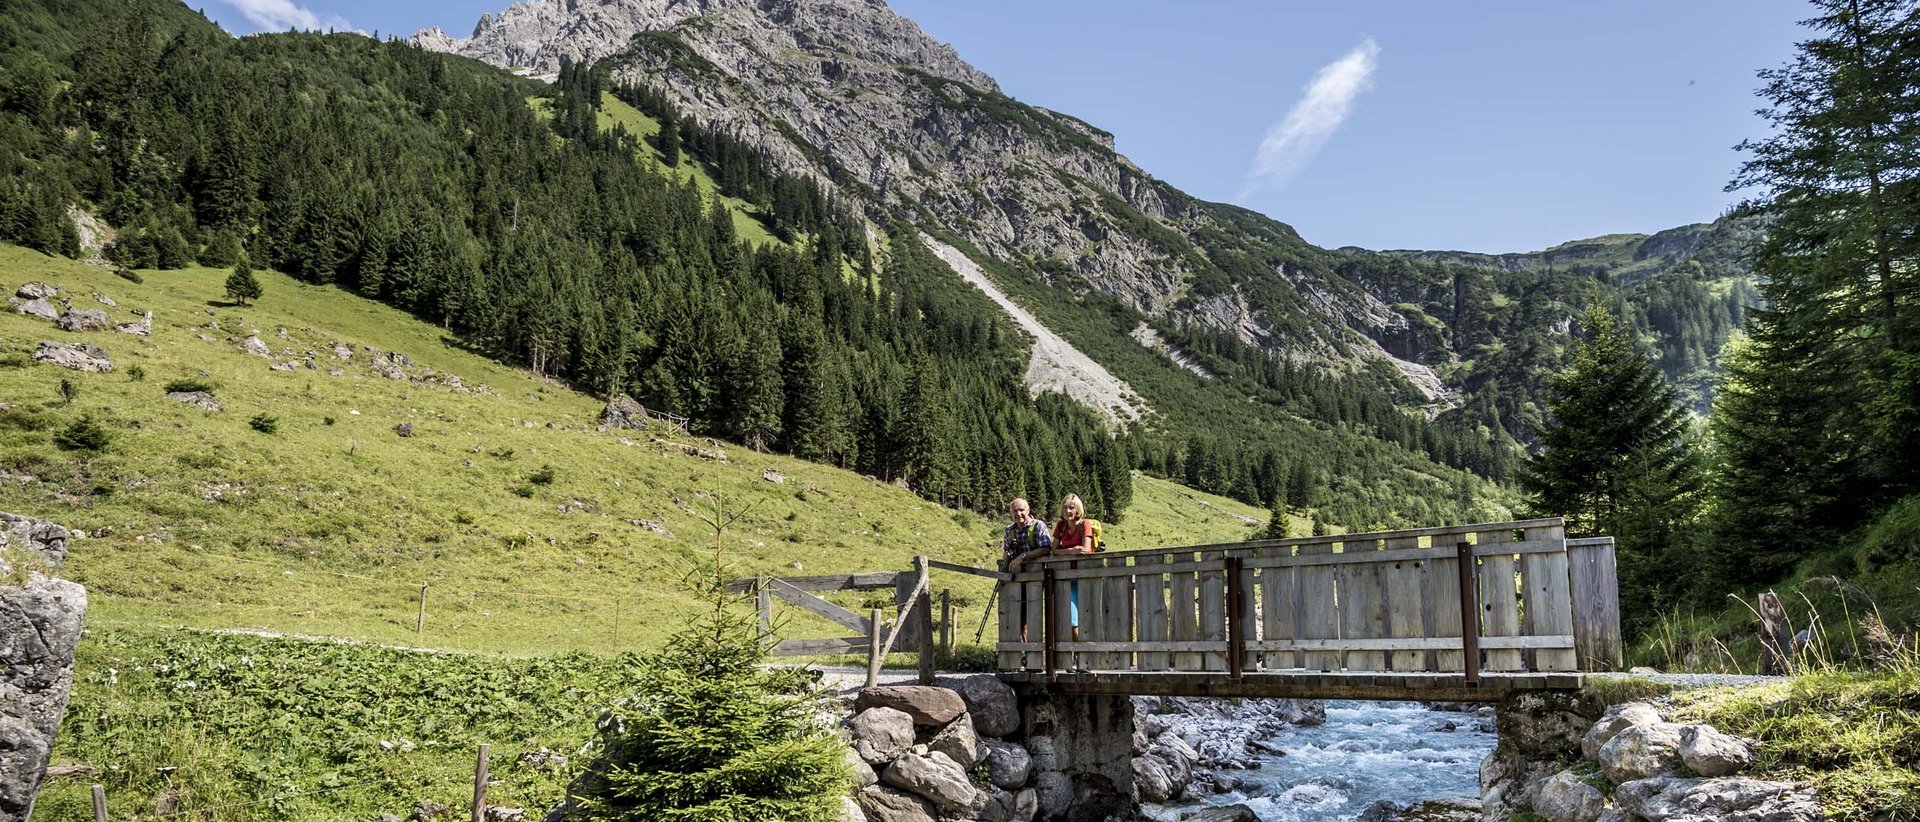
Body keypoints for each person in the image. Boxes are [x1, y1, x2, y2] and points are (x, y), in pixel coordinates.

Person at [1001, 497, 1053, 572]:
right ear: (1011, 513)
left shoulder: (1038, 525)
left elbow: (1046, 549)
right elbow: (1006, 551)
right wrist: (1006, 555)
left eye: (1021, 510)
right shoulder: (1009, 530)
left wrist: (1022, 556)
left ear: (1028, 511)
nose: (1018, 514)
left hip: (1039, 572)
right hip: (1017, 574)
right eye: (1015, 511)